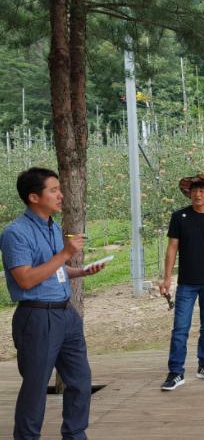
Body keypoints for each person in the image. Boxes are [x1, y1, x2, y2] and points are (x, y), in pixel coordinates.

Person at [0, 167, 106, 440]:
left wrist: (80, 271)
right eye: (54, 190)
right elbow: (25, 279)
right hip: (37, 317)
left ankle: (75, 435)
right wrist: (66, 253)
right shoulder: (15, 233)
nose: (61, 195)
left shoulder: (53, 227)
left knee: (80, 381)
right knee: (35, 389)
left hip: (66, 314)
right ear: (34, 197)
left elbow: (52, 269)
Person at [159, 173, 204, 390]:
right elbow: (172, 247)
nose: (197, 194)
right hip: (187, 283)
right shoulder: (179, 217)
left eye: (202, 191)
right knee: (180, 328)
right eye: (194, 191)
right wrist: (167, 278)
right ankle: (175, 371)